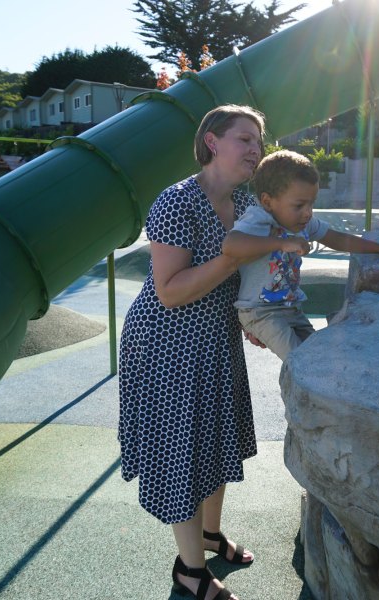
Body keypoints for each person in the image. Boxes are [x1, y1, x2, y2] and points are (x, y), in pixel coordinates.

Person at [118, 104, 266, 600]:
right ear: (212, 142)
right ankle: (190, 571)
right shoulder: (177, 202)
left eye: (258, 141)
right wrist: (231, 258)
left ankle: (207, 535)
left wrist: (254, 318)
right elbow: (170, 291)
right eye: (244, 139)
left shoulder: (246, 205)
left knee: (216, 447)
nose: (255, 149)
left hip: (215, 339)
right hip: (166, 345)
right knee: (182, 455)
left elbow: (248, 274)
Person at [222, 150, 379, 361]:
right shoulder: (259, 219)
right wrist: (282, 242)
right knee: (300, 360)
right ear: (268, 202)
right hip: (260, 312)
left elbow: (337, 238)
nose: (308, 212)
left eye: (311, 204)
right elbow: (231, 245)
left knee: (319, 356)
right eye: (299, 205)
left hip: (291, 308)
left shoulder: (302, 223)